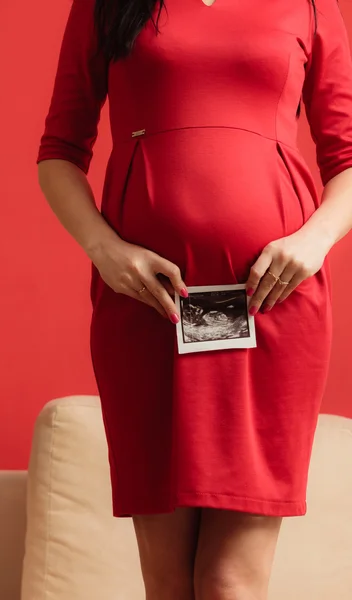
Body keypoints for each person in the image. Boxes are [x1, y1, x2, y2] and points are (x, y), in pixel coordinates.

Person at [36, 0, 352, 598]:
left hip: (271, 307)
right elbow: (59, 148)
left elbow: (349, 152)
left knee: (231, 583)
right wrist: (103, 248)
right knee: (168, 584)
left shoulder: (310, 3)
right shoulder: (107, 4)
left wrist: (313, 242)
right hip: (149, 307)